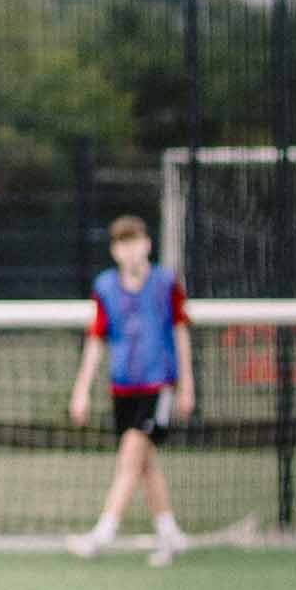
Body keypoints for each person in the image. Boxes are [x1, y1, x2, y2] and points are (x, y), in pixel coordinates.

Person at [67, 215, 195, 566]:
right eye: (122, 243)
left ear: (147, 244)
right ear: (114, 251)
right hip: (123, 387)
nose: (130, 249)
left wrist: (187, 385)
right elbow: (96, 341)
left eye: (135, 241)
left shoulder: (166, 284)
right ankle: (169, 533)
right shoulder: (106, 287)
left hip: (159, 385)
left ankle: (103, 532)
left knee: (131, 456)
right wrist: (81, 390)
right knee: (145, 465)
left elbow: (181, 333)